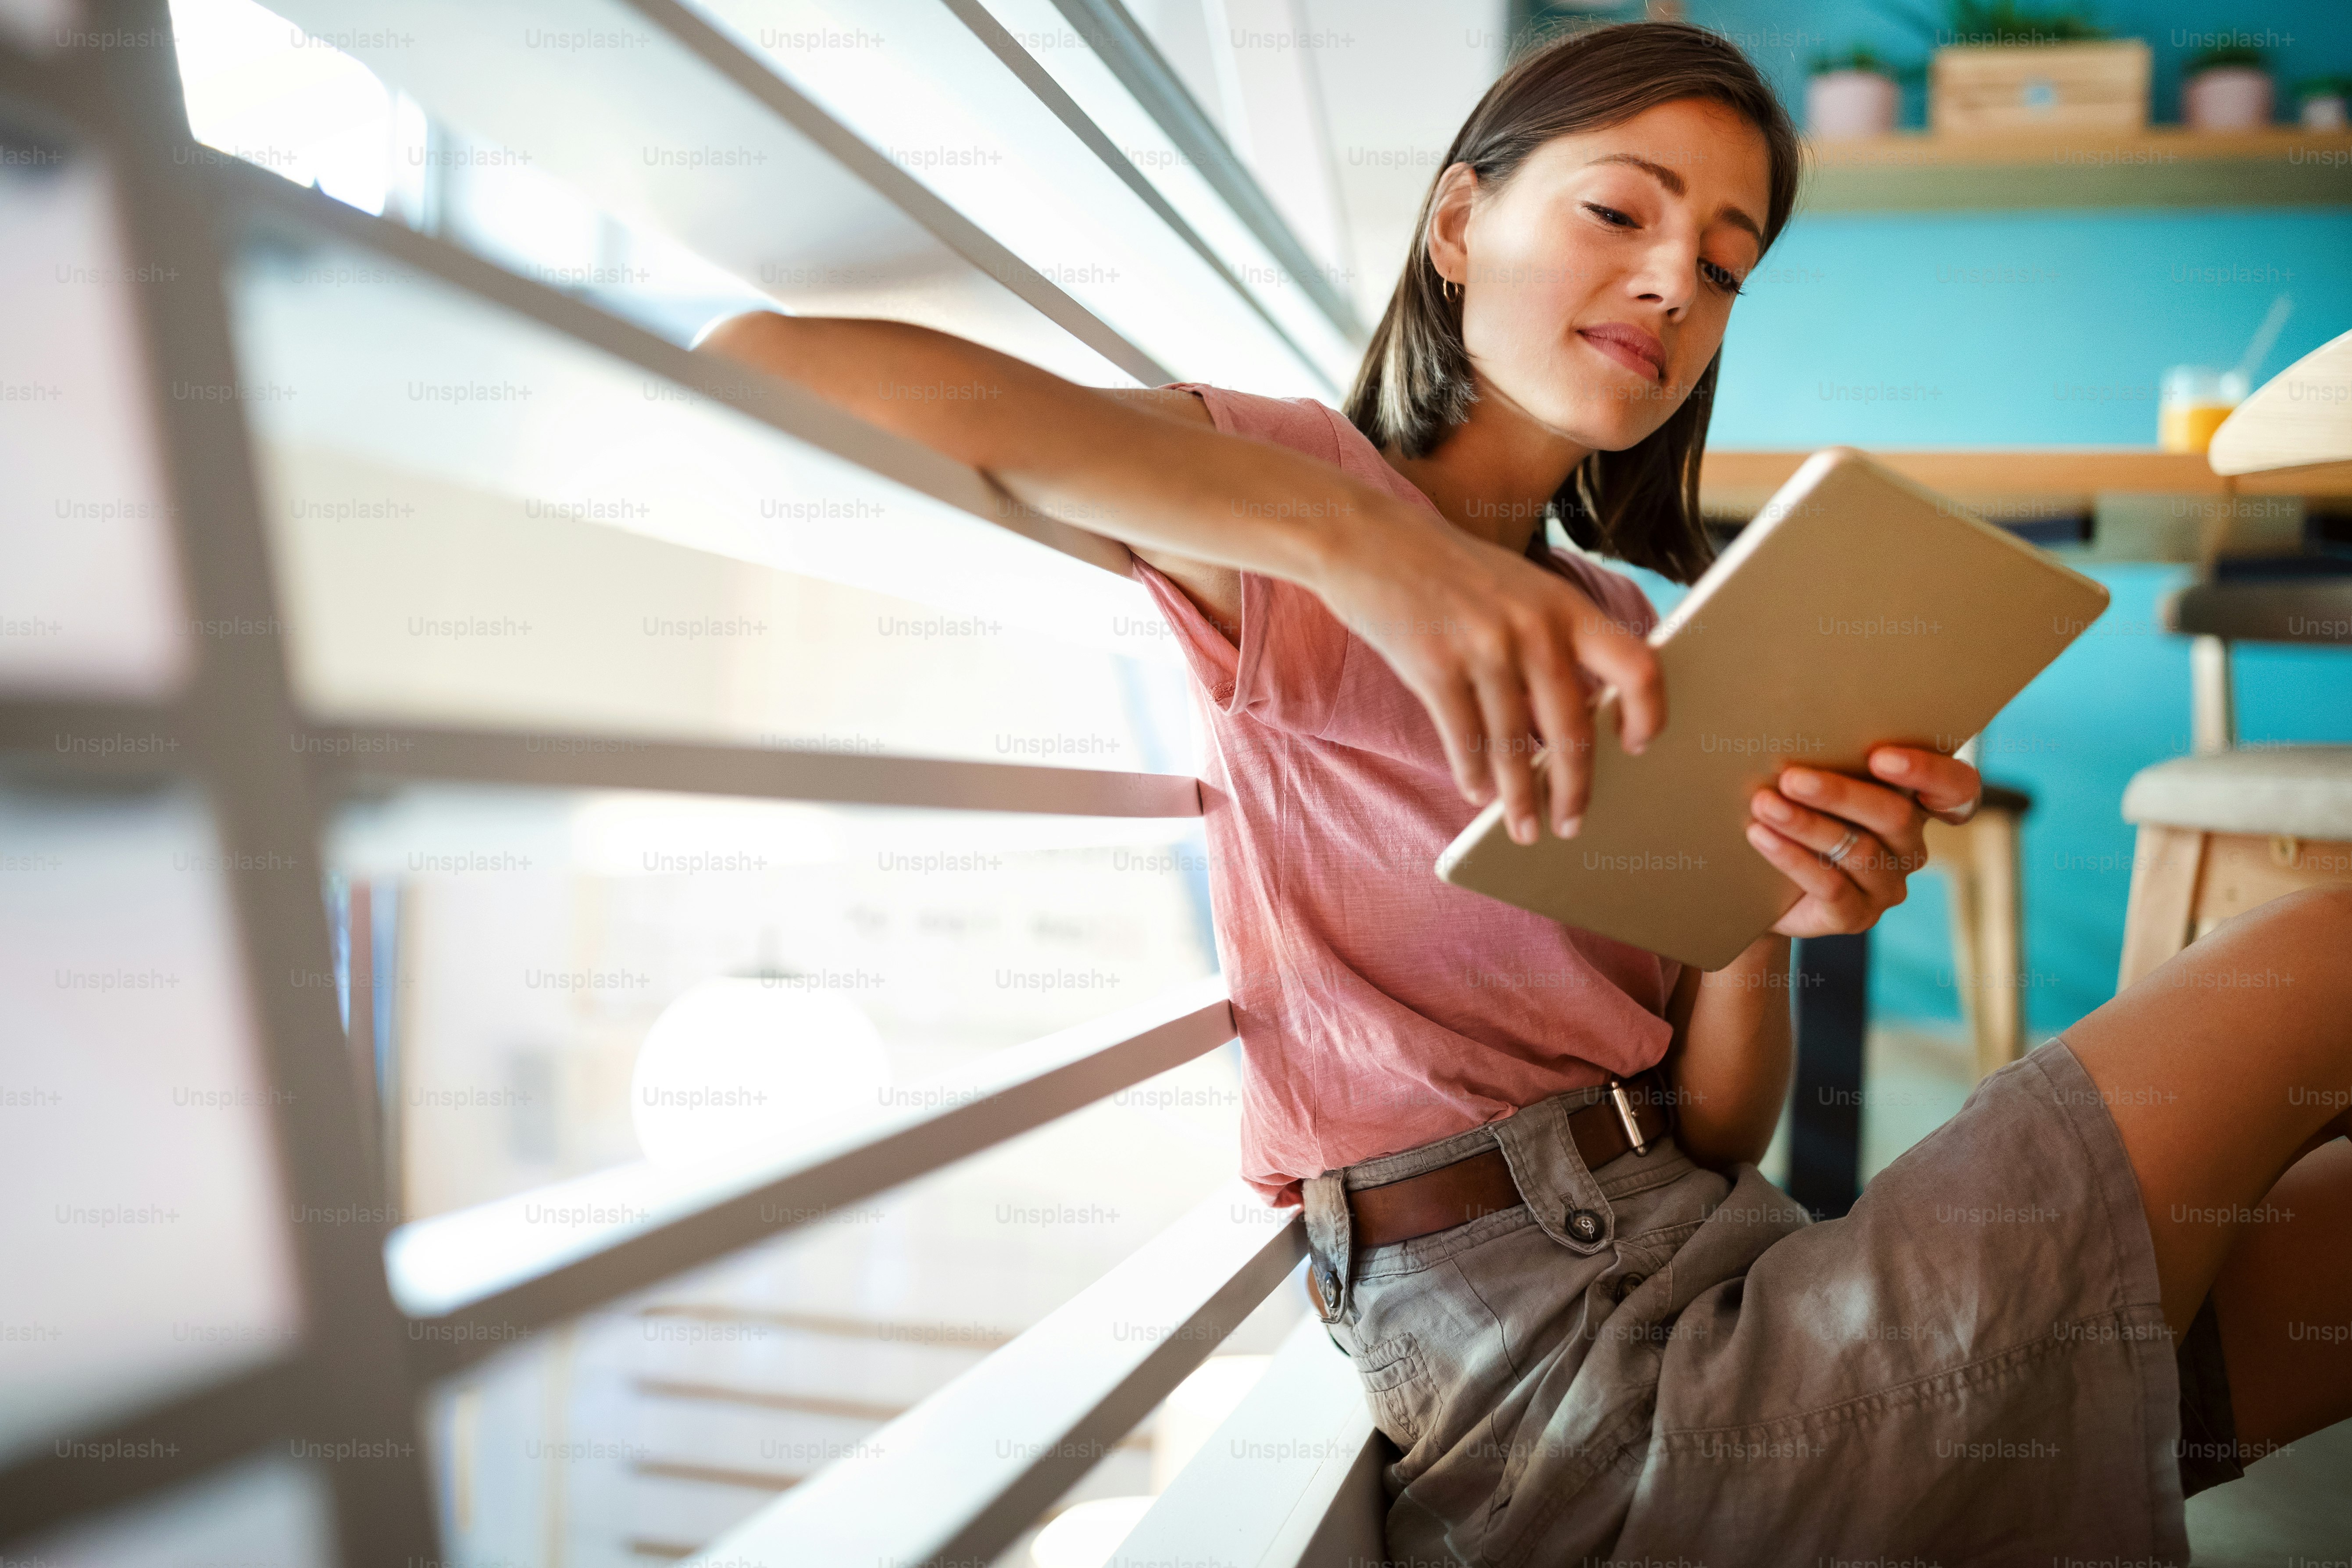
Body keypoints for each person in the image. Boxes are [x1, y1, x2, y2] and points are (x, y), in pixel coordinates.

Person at [699, 20, 2352, 1560]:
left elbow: (1711, 1127)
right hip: (1567, 1391)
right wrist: (1361, 544)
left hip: (1735, 1262)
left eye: (1721, 266)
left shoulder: (1633, 626)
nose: (1669, 285)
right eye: (1618, 213)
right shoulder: (1281, 505)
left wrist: (1765, 920)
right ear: (1454, 228)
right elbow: (767, 361)